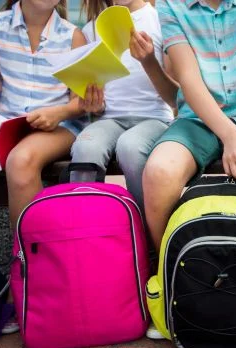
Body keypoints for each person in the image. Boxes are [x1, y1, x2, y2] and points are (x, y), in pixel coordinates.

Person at [142, 0, 236, 338]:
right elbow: (187, 76)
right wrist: (230, 137)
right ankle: (166, 279)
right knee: (159, 173)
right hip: (196, 119)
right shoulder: (171, 6)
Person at [0, 0, 86, 333]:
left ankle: (25, 280)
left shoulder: (74, 36)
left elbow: (81, 101)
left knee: (21, 162)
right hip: (4, 124)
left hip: (55, 128)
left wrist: (58, 113)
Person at [71, 0, 177, 205]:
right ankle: (86, 228)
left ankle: (145, 227)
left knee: (130, 147)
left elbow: (175, 99)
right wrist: (94, 104)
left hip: (154, 118)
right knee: (85, 146)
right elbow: (98, 103)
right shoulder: (92, 29)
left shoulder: (161, 19)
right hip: (110, 119)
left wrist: (149, 61)